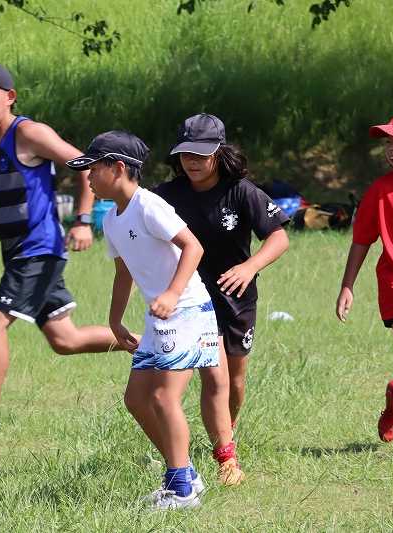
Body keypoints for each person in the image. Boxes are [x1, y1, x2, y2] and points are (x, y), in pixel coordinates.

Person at [0, 64, 126, 436]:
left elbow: (85, 167)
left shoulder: (29, 133)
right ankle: (152, 345)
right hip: (15, 252)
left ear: (10, 97)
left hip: (40, 249)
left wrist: (83, 220)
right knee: (66, 340)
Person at [67, 130, 218, 510]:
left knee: (164, 397)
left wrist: (172, 294)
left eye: (93, 169)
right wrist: (115, 321)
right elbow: (124, 273)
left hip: (186, 310)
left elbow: (193, 247)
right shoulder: (111, 220)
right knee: (136, 400)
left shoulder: (149, 205)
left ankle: (181, 490)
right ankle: (184, 474)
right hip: (159, 318)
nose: (87, 177)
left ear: (118, 168)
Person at [155, 113, 289, 471]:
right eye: (186, 153)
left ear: (219, 152)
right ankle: (225, 456)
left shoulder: (241, 191)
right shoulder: (166, 196)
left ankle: (227, 431)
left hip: (236, 296)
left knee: (235, 379)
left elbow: (278, 237)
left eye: (201, 153)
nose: (192, 161)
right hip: (190, 298)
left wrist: (250, 267)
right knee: (213, 375)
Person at [336, 110, 393, 454]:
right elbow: (362, 241)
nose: (391, 149)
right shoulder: (381, 191)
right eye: (388, 143)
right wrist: (347, 285)